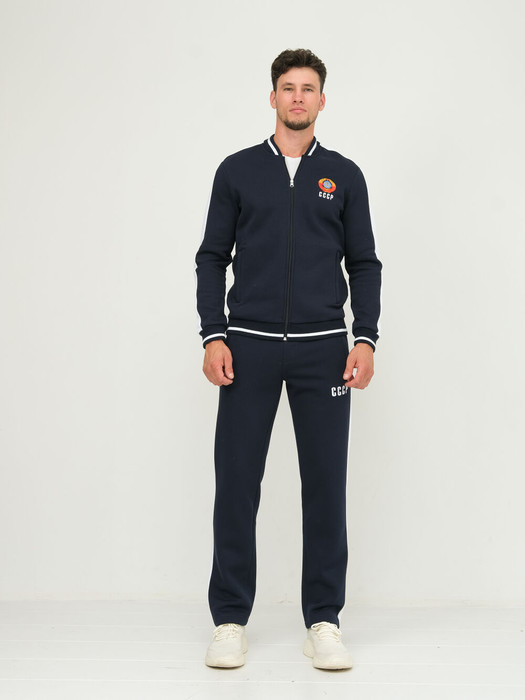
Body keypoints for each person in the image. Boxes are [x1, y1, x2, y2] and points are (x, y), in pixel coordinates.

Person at [194, 48, 382, 671]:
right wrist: (213, 335)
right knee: (236, 484)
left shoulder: (344, 175)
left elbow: (364, 263)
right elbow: (211, 258)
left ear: (322, 100)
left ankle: (323, 620)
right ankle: (229, 620)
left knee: (324, 486)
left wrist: (365, 338)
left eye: (308, 88)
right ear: (272, 97)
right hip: (246, 346)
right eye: (287, 87)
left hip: (323, 350)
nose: (297, 97)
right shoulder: (237, 171)